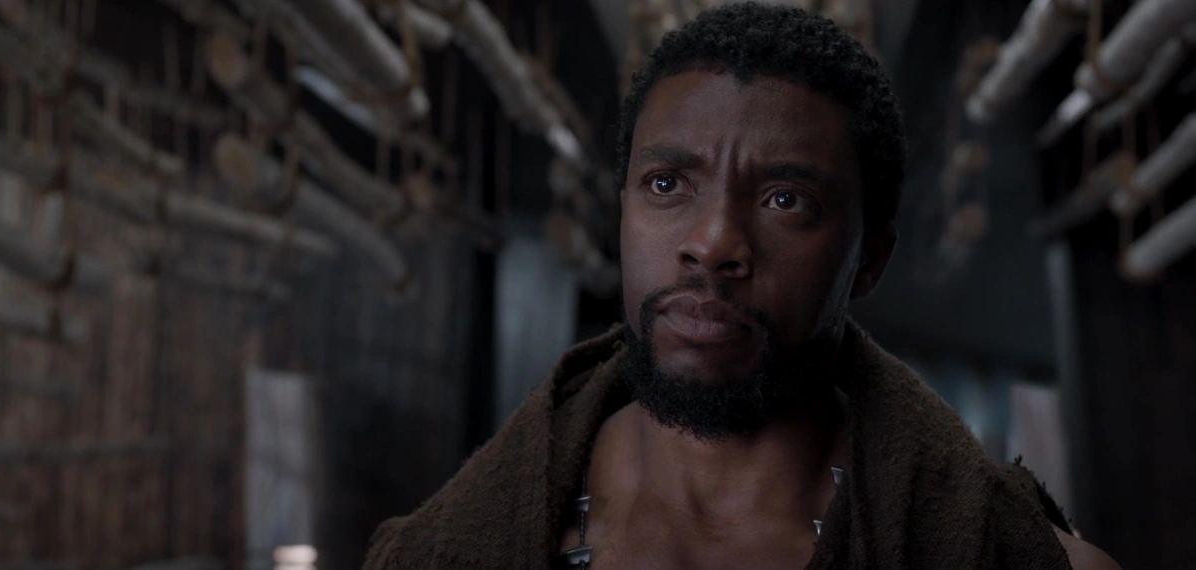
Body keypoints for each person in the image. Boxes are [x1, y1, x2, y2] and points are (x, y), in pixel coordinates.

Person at [363, 3, 1121, 569]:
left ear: (869, 259)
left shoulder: (1010, 557)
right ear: (622, 211)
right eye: (667, 183)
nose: (713, 244)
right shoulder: (437, 553)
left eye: (786, 199)